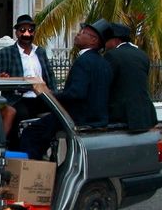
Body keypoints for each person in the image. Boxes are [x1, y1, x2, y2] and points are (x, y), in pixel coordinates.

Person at [20, 19, 113, 160]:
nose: (77, 34)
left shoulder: (83, 61)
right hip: (96, 117)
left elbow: (76, 94)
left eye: (83, 33)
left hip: (78, 117)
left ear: (93, 41)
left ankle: (33, 171)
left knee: (30, 133)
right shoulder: (103, 62)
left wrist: (51, 95)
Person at [0, 14, 57, 148]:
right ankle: (17, 149)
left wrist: (54, 94)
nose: (27, 34)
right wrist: (3, 77)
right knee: (21, 115)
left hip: (41, 97)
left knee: (57, 114)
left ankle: (44, 148)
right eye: (22, 30)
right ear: (17, 33)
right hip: (18, 98)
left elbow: (49, 76)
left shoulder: (40, 52)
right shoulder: (5, 53)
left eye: (30, 30)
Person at [103, 22, 157, 131]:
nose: (104, 43)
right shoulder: (142, 55)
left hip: (123, 116)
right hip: (145, 114)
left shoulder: (112, 55)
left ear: (116, 40)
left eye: (106, 40)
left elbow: (106, 84)